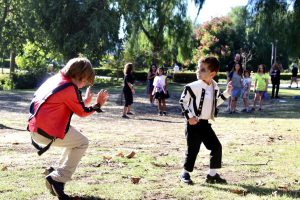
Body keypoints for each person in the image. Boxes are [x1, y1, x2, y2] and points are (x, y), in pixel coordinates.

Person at [27, 57, 109, 199]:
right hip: (46, 131)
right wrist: (98, 105)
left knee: (75, 140)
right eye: (85, 81)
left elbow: (68, 103)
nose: (84, 85)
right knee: (82, 142)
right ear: (79, 76)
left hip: (37, 127)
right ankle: (57, 178)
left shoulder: (57, 79)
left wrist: (87, 101)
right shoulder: (69, 87)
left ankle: (55, 172)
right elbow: (82, 112)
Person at [179, 57, 232, 185]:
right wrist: (189, 117)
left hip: (205, 125)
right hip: (193, 124)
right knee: (193, 149)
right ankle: (185, 173)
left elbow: (215, 103)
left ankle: (212, 175)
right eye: (198, 68)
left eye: (202, 69)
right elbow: (183, 101)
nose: (198, 71)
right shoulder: (193, 86)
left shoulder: (214, 87)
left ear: (212, 74)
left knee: (216, 147)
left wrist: (227, 93)